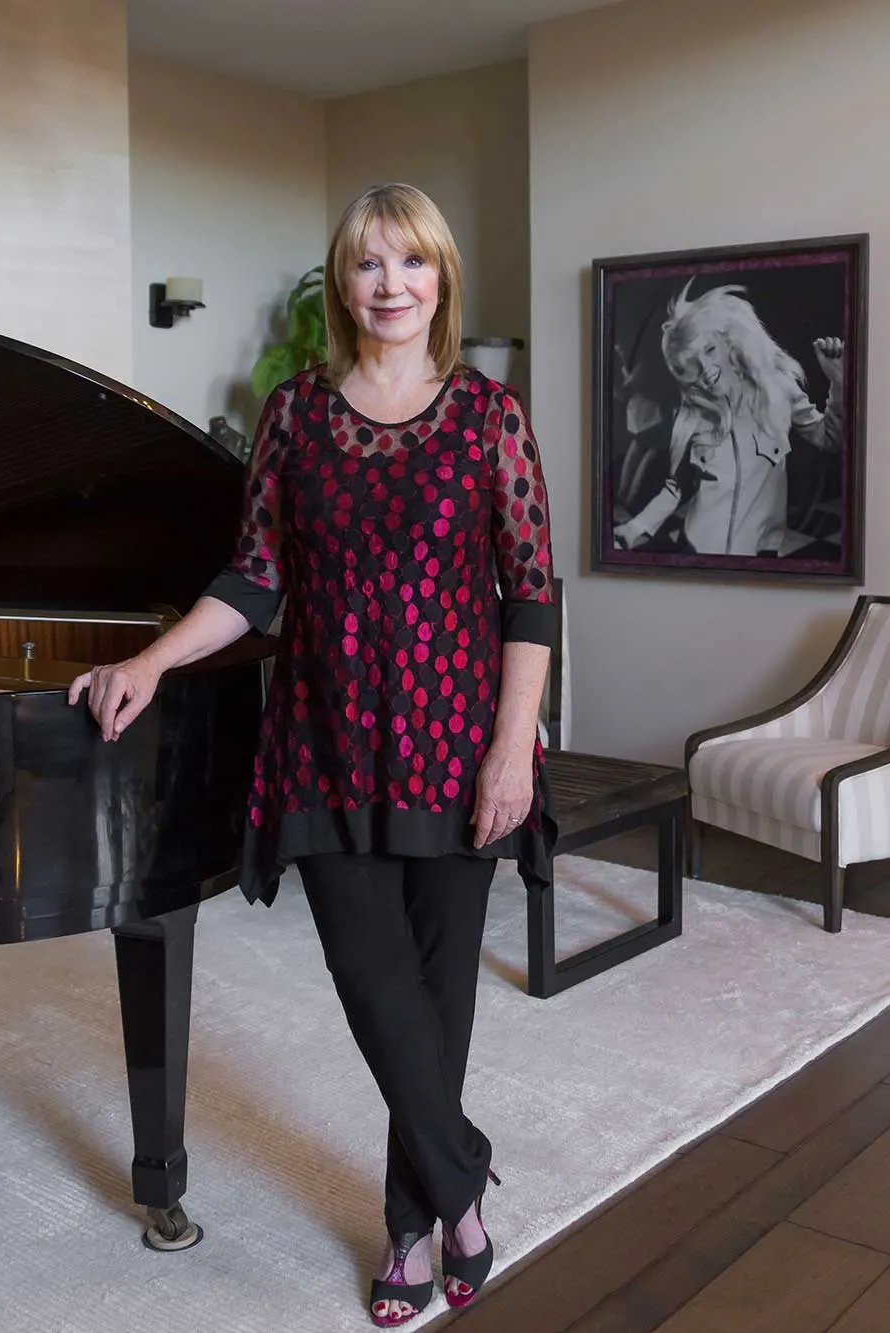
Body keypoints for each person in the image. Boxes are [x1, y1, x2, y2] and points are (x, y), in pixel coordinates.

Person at [68, 182, 557, 1326]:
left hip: (454, 745)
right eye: (369, 265)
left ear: (441, 279)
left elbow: (530, 598)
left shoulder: (490, 417)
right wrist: (152, 660)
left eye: (412, 264)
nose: (391, 285)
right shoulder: (293, 415)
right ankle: (464, 1173)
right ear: (345, 284)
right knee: (376, 991)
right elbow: (254, 579)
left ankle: (409, 1230)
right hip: (324, 745)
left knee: (436, 1002)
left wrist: (510, 754)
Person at [613, 280, 845, 557]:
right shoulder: (693, 414)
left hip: (760, 556)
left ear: (730, 340)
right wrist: (635, 528)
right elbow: (675, 488)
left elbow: (830, 438)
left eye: (710, 350)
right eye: (692, 362)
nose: (705, 368)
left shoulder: (780, 389)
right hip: (695, 550)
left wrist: (839, 382)